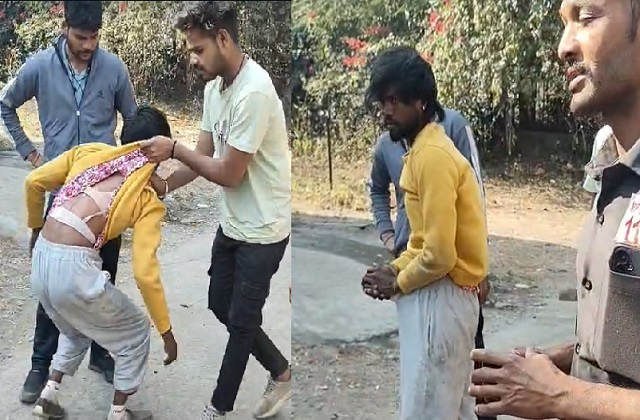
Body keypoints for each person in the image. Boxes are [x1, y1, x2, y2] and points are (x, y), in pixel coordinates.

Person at [470, 0, 640, 418]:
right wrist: (562, 363)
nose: (564, 47)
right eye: (564, 22)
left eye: (587, 17)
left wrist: (562, 396)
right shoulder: (611, 169)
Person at [139, 2, 291, 419]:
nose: (193, 58)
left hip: (264, 230)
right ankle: (281, 371)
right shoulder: (214, 90)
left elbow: (229, 173)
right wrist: (164, 185)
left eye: (198, 49)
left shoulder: (254, 92)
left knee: (241, 322)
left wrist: (174, 148)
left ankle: (217, 409)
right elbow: (204, 157)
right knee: (220, 304)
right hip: (234, 224)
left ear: (223, 39)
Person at [0, 0, 138, 403]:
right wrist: (30, 154)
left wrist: (126, 170)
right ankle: (40, 364)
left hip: (105, 200)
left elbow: (132, 122)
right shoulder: (40, 67)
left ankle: (102, 354)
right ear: (65, 28)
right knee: (52, 283)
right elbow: (5, 104)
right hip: (60, 198)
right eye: (81, 37)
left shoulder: (114, 69)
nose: (89, 45)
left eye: (95, 37)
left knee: (103, 279)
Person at [25, 105, 178, 420]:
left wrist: (36, 228)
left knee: (78, 328)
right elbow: (145, 274)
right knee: (137, 332)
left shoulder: (88, 152)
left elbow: (33, 183)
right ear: (160, 152)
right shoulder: (145, 197)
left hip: (42, 258)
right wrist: (166, 332)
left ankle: (48, 397)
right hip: (74, 269)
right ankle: (119, 413)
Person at [361, 46, 489, 420]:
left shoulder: (432, 155)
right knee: (452, 408)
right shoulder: (421, 150)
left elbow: (440, 255)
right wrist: (395, 267)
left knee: (427, 409)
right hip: (440, 295)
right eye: (383, 101)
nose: (386, 111)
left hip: (442, 297)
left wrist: (398, 282)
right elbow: (421, 240)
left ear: (420, 102)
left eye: (395, 101)